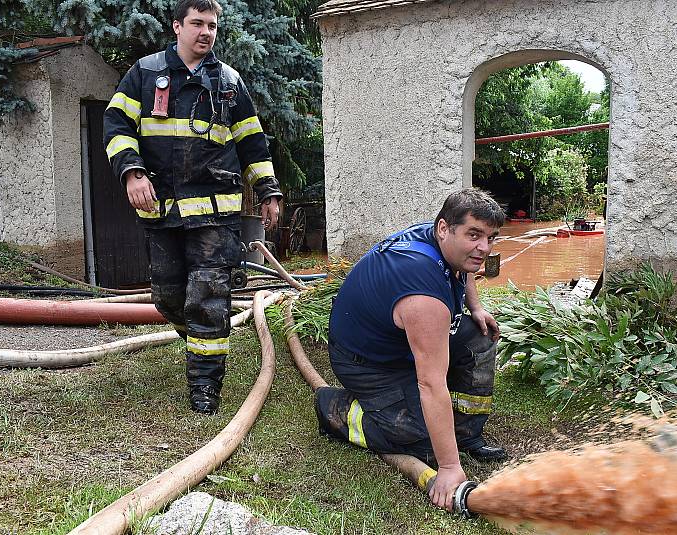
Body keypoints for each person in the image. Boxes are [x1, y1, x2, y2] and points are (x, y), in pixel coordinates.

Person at [103, 0, 282, 414]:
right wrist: (132, 172)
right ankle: (206, 340)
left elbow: (252, 142)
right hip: (161, 210)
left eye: (213, 26)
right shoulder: (145, 75)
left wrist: (268, 189)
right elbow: (116, 126)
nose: (206, 32)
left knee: (207, 295)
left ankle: (205, 390)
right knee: (169, 299)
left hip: (215, 213)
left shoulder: (230, 83)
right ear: (177, 26)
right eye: (198, 24)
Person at [315, 188, 506, 511]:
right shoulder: (423, 294)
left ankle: (467, 433)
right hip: (367, 361)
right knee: (423, 443)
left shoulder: (442, 239)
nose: (484, 248)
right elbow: (430, 384)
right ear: (444, 228)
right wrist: (447, 467)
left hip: (397, 339)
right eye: (474, 235)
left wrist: (475, 307)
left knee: (480, 335)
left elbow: (467, 265)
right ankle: (336, 409)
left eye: (490, 238)